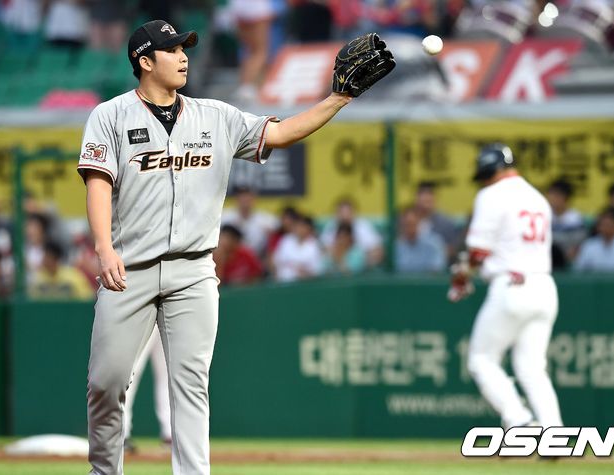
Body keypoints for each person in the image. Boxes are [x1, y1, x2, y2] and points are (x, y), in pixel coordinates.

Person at [77, 19, 392, 475]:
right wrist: (104, 248)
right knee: (105, 383)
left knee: (191, 384)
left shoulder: (216, 116)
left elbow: (280, 133)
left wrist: (338, 98)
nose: (183, 56)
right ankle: (105, 470)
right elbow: (98, 184)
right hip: (130, 268)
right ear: (144, 61)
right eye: (172, 50)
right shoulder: (110, 116)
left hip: (194, 270)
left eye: (185, 48)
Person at [448, 143, 563, 430]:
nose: (484, 181)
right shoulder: (538, 198)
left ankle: (519, 421)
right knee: (532, 368)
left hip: (511, 286)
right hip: (544, 286)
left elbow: (478, 252)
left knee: (481, 360)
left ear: (491, 170)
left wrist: (463, 275)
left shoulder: (492, 195)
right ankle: (554, 431)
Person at [122, 326, 171, 453]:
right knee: (130, 371)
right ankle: (120, 433)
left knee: (170, 372)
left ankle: (171, 435)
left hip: (172, 315)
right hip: (142, 315)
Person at [572, 207, 614, 273]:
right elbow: (579, 271)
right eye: (603, 224)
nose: (606, 228)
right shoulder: (589, 245)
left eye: (609, 224)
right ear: (598, 227)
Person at [320, 198, 384, 267]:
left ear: (353, 213)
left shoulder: (362, 225)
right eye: (341, 212)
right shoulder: (332, 225)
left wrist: (359, 263)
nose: (344, 216)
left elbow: (377, 250)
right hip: (336, 264)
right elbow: (324, 247)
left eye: (347, 212)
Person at [221, 186, 279, 258]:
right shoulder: (224, 217)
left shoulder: (266, 220)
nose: (245, 199)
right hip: (230, 259)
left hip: (257, 258)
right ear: (237, 198)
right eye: (242, 196)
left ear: (254, 198)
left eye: (248, 196)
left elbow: (280, 230)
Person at [28, 240, 94, 300]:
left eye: (48, 257)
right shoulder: (38, 278)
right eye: (44, 256)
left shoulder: (72, 275)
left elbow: (87, 297)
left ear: (55, 259)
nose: (44, 260)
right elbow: (32, 299)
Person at [545, 178, 587, 269]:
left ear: (565, 198)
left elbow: (579, 245)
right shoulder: (544, 215)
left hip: (568, 259)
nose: (552, 198)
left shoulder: (575, 218)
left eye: (556, 195)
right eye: (551, 194)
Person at [414, 181, 460, 261]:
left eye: (430, 195)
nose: (426, 198)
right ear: (416, 197)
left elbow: (453, 249)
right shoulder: (407, 221)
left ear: (435, 198)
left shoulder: (446, 223)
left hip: (437, 266)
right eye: (422, 195)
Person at [272, 214, 324, 281]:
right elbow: (276, 260)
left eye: (302, 226)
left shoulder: (314, 244)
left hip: (307, 281)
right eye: (297, 226)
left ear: (309, 228)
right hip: (284, 280)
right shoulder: (286, 240)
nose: (299, 229)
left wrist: (305, 272)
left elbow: (318, 268)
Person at [395, 206, 446, 274]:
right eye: (406, 225)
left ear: (420, 223)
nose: (410, 228)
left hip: (427, 280)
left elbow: (436, 269)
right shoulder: (396, 246)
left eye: (412, 224)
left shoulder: (434, 243)